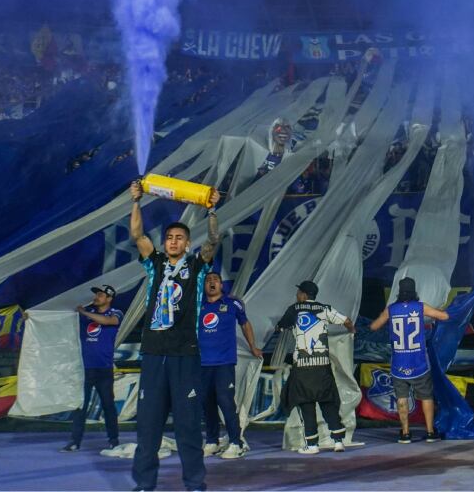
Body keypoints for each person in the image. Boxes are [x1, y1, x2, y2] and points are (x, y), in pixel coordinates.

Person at [128, 181, 220, 492]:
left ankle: (194, 484)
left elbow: (213, 240)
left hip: (184, 355)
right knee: (148, 427)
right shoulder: (154, 264)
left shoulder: (197, 267)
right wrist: (136, 202)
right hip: (154, 354)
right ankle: (144, 484)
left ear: (187, 243)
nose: (173, 241)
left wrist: (212, 211)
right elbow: (138, 235)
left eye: (179, 238)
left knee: (188, 427)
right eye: (169, 237)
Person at [276, 280, 354, 454]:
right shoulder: (324, 309)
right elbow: (347, 321)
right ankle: (338, 441)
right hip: (322, 365)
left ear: (304, 295)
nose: (297, 295)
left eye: (298, 293)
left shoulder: (294, 309)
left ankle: (312, 445)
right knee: (328, 402)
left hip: (303, 366)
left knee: (306, 404)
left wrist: (278, 327)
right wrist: (351, 332)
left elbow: (281, 327)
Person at [368, 277, 449, 443]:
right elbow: (444, 316)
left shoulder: (391, 309)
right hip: (419, 362)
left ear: (399, 291)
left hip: (399, 363)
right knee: (426, 397)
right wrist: (438, 310)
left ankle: (405, 433)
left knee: (402, 398)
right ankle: (430, 432)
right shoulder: (420, 307)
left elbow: (374, 326)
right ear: (414, 291)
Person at [198, 271, 263, 460]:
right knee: (207, 403)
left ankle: (236, 442)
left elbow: (245, 324)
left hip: (224, 362)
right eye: (208, 280)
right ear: (204, 285)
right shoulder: (198, 305)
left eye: (215, 280)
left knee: (226, 402)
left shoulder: (232, 303)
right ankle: (212, 441)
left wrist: (253, 346)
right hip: (202, 363)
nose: (211, 283)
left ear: (221, 285)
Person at [62, 284, 123, 453]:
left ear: (109, 298)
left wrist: (84, 312)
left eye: (100, 295)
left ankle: (114, 440)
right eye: (96, 294)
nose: (96, 297)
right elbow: (63, 315)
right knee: (80, 406)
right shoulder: (87, 312)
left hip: (104, 368)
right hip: (84, 368)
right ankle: (75, 442)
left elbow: (108, 321)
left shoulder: (115, 313)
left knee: (108, 405)